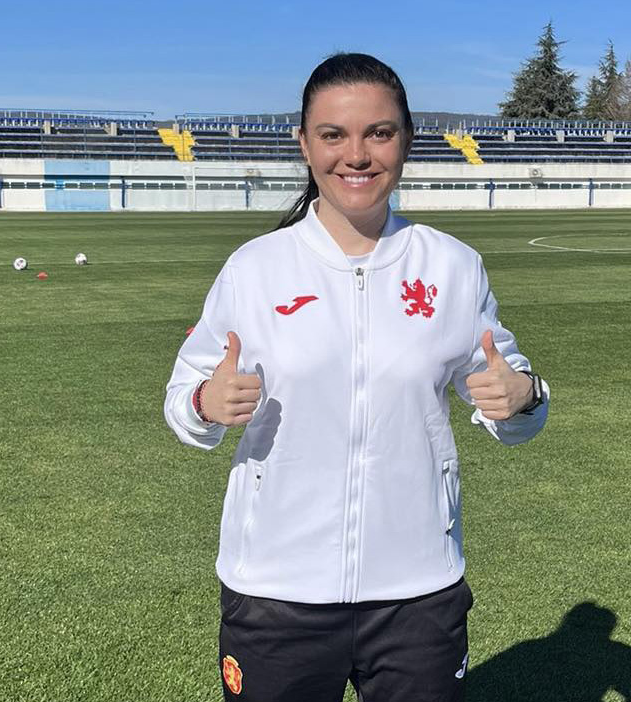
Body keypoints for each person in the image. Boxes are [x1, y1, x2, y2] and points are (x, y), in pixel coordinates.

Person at [164, 53, 549, 702]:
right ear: (304, 144)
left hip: (417, 594)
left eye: (379, 132)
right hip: (275, 592)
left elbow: (513, 402)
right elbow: (183, 402)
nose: (357, 155)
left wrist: (525, 397)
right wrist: (206, 401)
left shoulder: (453, 267)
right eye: (333, 135)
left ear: (407, 140)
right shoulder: (255, 269)